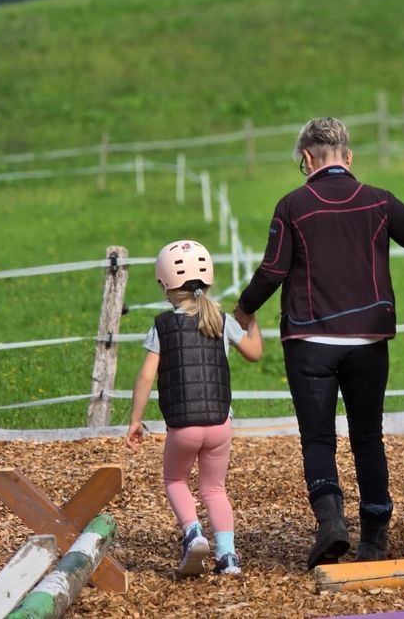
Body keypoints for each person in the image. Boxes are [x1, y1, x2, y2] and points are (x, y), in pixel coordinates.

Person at [233, 117, 404, 569]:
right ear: (348, 157)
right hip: (369, 339)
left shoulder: (292, 205)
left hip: (310, 341)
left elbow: (273, 271)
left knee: (318, 439)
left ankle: (331, 523)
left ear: (307, 158)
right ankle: (375, 537)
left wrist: (244, 310)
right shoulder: (380, 201)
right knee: (368, 437)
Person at [126, 239, 263, 577]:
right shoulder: (222, 320)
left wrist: (135, 420)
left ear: (164, 285)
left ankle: (193, 533)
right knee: (214, 489)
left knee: (175, 479)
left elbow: (145, 377)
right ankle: (227, 556)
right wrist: (252, 320)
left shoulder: (162, 326)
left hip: (183, 427)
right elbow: (255, 353)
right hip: (220, 423)